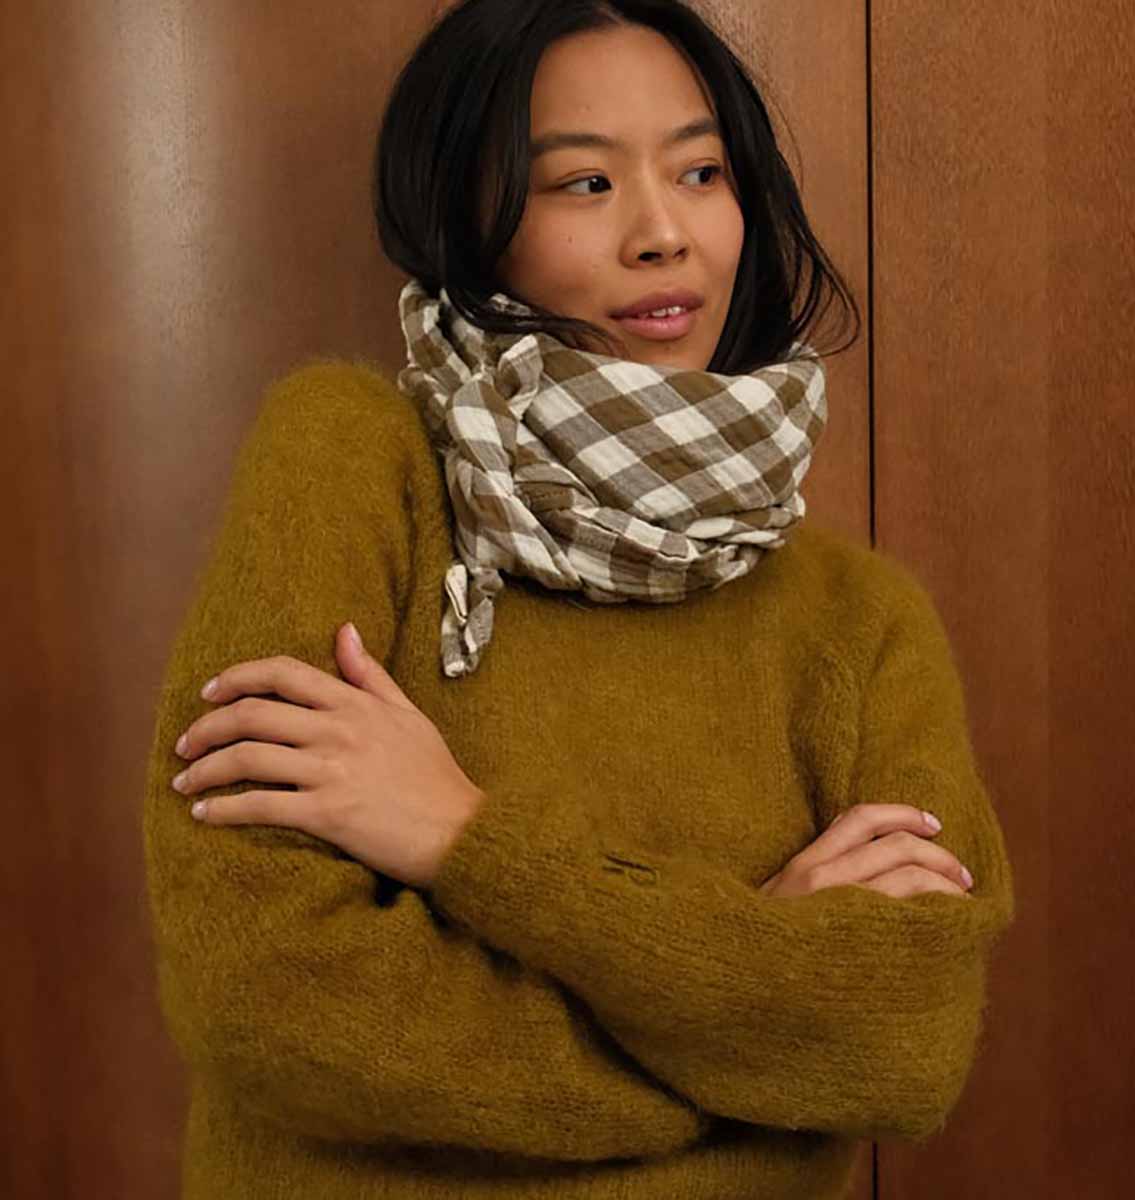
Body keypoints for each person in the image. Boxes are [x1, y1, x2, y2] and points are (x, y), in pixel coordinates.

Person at [141, 1, 1016, 1197]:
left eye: (701, 172)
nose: (663, 234)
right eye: (585, 184)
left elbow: (903, 1046)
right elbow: (267, 994)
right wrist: (749, 1004)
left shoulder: (859, 622)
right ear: (471, 222)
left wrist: (463, 839)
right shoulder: (352, 465)